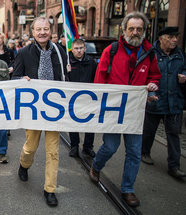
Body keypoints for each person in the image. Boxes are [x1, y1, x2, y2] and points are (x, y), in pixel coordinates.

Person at [90, 12, 161, 207]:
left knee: (134, 151)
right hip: (113, 109)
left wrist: (153, 85)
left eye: (139, 29)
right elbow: (100, 79)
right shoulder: (111, 51)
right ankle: (96, 165)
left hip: (135, 111)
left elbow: (154, 76)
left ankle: (128, 189)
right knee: (111, 146)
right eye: (132, 28)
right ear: (124, 30)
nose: (135, 32)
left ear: (144, 31)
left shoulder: (149, 53)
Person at [12, 17, 68, 207]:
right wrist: (21, 79)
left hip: (54, 110)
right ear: (33, 32)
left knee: (53, 152)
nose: (42, 32)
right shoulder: (24, 53)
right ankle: (24, 164)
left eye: (46, 29)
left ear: (51, 30)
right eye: (39, 29)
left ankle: (50, 189)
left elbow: (66, 79)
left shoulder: (60, 52)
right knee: (31, 147)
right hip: (33, 111)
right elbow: (14, 78)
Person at [141, 26, 186, 179]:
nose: (174, 40)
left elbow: (184, 68)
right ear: (161, 38)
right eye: (170, 37)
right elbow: (144, 74)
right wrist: (150, 93)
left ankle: (174, 166)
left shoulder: (180, 54)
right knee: (149, 131)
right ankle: (144, 152)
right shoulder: (151, 53)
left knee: (173, 134)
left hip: (174, 102)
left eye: (176, 37)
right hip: (155, 100)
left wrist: (184, 76)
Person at [66, 39, 97, 158]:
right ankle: (74, 146)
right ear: (72, 50)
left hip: (89, 98)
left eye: (81, 48)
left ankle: (88, 147)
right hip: (73, 99)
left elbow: (97, 78)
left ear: (85, 49)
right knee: (73, 123)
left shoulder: (92, 62)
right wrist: (66, 71)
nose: (79, 51)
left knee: (90, 123)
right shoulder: (67, 62)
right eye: (76, 48)